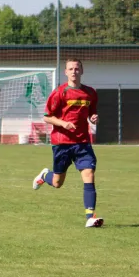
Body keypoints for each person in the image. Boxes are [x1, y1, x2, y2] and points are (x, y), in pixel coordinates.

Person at [32, 59, 103, 228]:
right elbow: (47, 116)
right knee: (57, 183)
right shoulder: (59, 93)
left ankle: (90, 217)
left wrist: (94, 118)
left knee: (89, 175)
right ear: (65, 72)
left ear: (82, 71)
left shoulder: (90, 93)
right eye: (70, 69)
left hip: (82, 142)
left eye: (77, 69)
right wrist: (64, 124)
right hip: (62, 143)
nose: (74, 72)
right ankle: (44, 176)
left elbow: (92, 114)